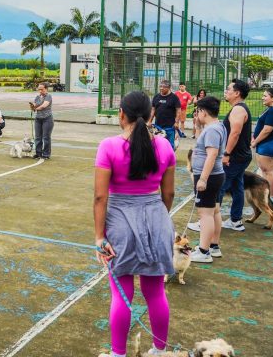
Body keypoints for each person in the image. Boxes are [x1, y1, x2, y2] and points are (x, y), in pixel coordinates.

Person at [94, 91, 176, 357]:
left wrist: (99, 237)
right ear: (152, 114)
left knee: (121, 294)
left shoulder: (109, 146)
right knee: (155, 292)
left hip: (119, 221)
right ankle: (159, 350)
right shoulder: (164, 146)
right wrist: (158, 219)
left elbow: (100, 197)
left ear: (121, 114)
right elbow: (169, 194)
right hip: (156, 217)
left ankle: (118, 354)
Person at [187, 96, 226, 263]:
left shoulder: (212, 130)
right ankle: (213, 246)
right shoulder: (216, 127)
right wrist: (197, 125)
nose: (196, 114)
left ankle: (204, 251)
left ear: (203, 111)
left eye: (197, 111)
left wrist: (203, 179)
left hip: (209, 177)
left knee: (205, 214)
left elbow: (212, 155)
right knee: (214, 210)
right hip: (215, 175)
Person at [218, 78, 252, 233]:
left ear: (237, 93)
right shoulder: (238, 108)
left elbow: (235, 133)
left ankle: (210, 220)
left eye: (228, 89)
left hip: (235, 157)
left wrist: (226, 154)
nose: (226, 91)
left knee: (219, 187)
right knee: (237, 186)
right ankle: (235, 220)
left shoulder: (238, 109)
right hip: (241, 156)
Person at [251, 88, 273, 203]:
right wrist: (254, 137)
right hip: (265, 143)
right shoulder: (270, 109)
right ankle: (267, 193)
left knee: (269, 171)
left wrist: (255, 142)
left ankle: (272, 196)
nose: (262, 98)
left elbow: (267, 130)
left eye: (265, 96)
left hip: (268, 143)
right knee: (264, 170)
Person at [149, 79, 180, 151]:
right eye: (160, 86)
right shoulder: (156, 97)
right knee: (158, 144)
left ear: (168, 87)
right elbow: (153, 109)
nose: (161, 88)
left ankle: (170, 159)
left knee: (170, 145)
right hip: (158, 127)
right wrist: (149, 121)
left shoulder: (174, 98)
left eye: (163, 87)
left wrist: (176, 122)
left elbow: (178, 110)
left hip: (170, 126)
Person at [31, 82, 54, 159]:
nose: (40, 91)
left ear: (46, 89)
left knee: (46, 137)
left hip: (47, 119)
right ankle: (38, 153)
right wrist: (32, 105)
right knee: (38, 137)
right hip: (38, 119)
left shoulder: (48, 96)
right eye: (39, 89)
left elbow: (43, 106)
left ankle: (46, 154)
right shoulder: (37, 97)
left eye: (42, 89)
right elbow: (34, 104)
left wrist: (35, 108)